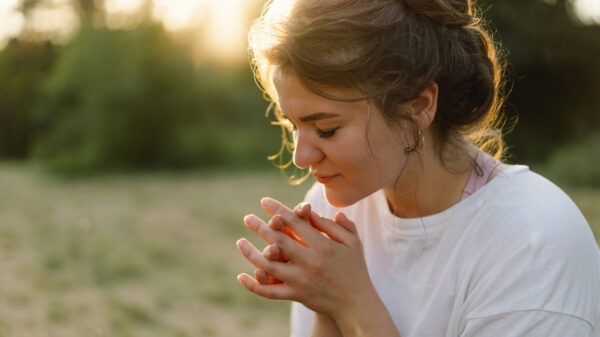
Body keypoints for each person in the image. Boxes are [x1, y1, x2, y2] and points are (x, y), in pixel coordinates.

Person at [235, 0, 600, 336]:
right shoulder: (331, 210)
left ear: (419, 105)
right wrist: (325, 303)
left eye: (327, 129)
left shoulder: (532, 245)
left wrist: (352, 300)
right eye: (294, 124)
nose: (300, 156)